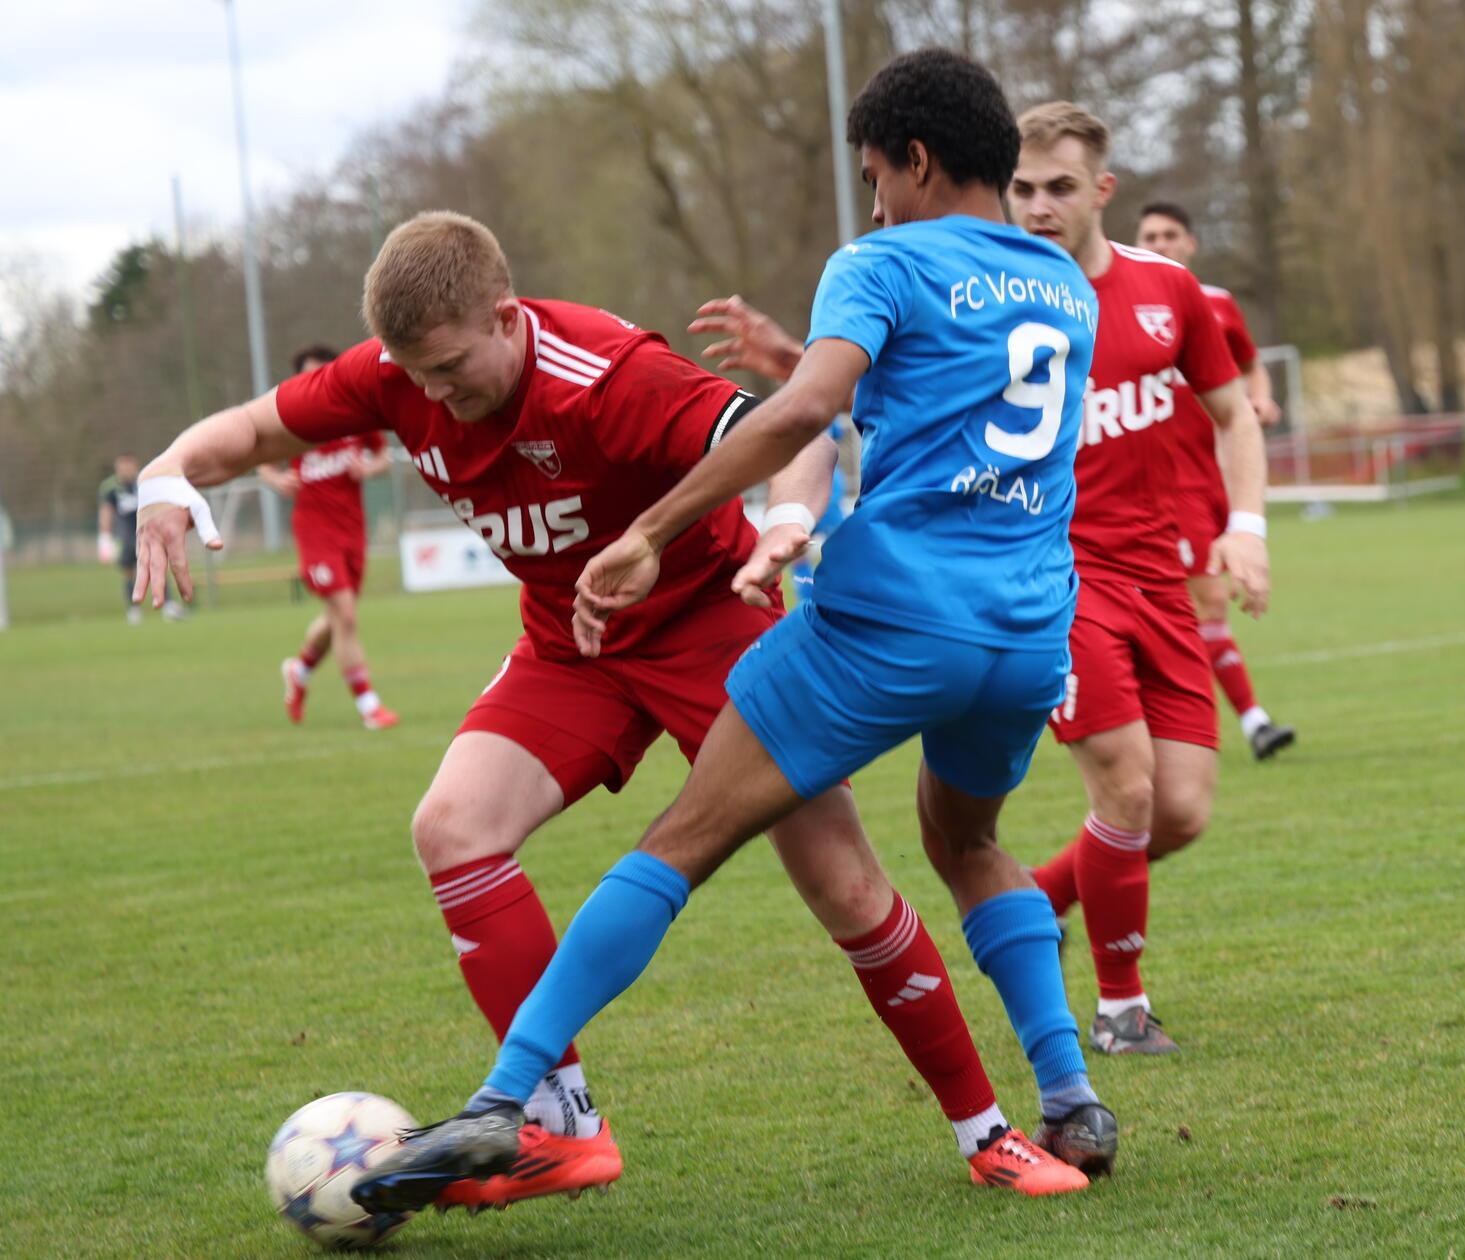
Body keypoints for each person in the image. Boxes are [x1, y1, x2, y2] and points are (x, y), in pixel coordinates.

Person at [133, 209, 1073, 1205]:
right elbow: (246, 430)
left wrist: (787, 521)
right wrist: (164, 478)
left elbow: (790, 431)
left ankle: (987, 1132)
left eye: (449, 368)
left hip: (712, 632)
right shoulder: (395, 372)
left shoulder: (613, 376)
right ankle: (559, 1126)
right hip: (569, 645)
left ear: (505, 317)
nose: (430, 396)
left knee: (842, 883)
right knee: (451, 828)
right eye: (412, 375)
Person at [350, 49, 1115, 1215]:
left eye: (874, 173)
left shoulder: (876, 260)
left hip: (892, 619)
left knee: (681, 839)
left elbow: (806, 410)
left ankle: (505, 1102)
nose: (869, 202)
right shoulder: (1067, 287)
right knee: (965, 843)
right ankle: (1070, 1098)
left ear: (915, 160)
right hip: (1025, 630)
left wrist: (652, 530)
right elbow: (932, 398)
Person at [1008, 103, 1272, 1056]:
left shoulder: (1170, 292)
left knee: (1182, 811)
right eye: (1024, 189)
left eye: (1060, 188)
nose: (1039, 206)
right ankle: (1121, 1011)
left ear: (1101, 191)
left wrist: (1246, 528)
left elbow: (1236, 416)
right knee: (1125, 791)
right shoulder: (992, 303)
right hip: (1057, 586)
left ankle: (1028, 901)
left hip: (1161, 579)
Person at [1135, 200, 1296, 759]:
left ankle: (1178, 723)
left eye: (1170, 234)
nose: (1160, 243)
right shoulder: (1122, 302)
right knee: (1205, 603)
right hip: (1166, 485)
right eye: (1149, 235)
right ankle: (1251, 721)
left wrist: (1261, 397)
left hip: (1218, 478)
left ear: (1190, 243)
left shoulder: (1218, 305)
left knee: (1198, 609)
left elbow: (1250, 364)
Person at [263, 344, 399, 729]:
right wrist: (276, 478)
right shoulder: (290, 422)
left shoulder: (355, 416)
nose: (317, 381)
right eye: (309, 374)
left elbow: (384, 456)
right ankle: (369, 706)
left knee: (338, 616)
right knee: (346, 614)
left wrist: (368, 469)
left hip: (352, 530)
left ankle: (299, 671)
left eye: (324, 372)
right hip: (314, 532)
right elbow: (258, 458)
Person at [98, 455, 183, 624]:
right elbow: (106, 512)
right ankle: (134, 609)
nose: (125, 470)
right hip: (126, 537)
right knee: (129, 573)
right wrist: (105, 538)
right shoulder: (111, 488)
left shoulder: (145, 483)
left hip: (149, 534)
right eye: (121, 467)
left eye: (128, 466)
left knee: (158, 567)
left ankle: (168, 605)